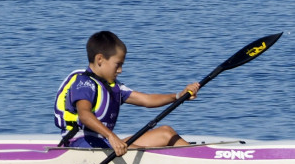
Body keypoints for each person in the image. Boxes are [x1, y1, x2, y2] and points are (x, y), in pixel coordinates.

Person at [54, 31, 200, 156]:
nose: (120, 70)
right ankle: (194, 161)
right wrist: (111, 136)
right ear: (100, 59)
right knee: (139, 151)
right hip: (82, 143)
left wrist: (177, 96)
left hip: (104, 141)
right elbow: (84, 115)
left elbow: (147, 100)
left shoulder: (114, 87)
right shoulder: (84, 84)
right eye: (118, 64)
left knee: (166, 132)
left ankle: (199, 156)